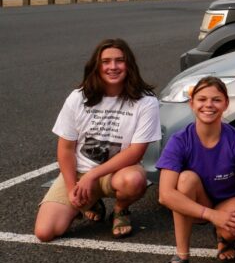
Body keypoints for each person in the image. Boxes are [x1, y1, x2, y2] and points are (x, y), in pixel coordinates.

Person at [34, 38, 159, 242]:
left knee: (134, 181)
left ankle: (120, 210)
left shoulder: (145, 101)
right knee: (45, 232)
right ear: (96, 66)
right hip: (79, 173)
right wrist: (71, 189)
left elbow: (136, 151)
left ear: (129, 65)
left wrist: (92, 177)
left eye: (120, 60)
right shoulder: (78, 97)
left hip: (118, 172)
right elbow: (66, 149)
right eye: (106, 61)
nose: (113, 67)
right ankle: (90, 203)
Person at [155, 76, 235, 263]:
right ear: (192, 104)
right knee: (185, 180)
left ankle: (224, 240)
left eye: (216, 100)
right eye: (202, 99)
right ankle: (181, 257)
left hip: (227, 200)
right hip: (198, 201)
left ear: (226, 104)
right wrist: (212, 215)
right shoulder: (180, 140)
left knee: (234, 226)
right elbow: (164, 195)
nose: (208, 105)